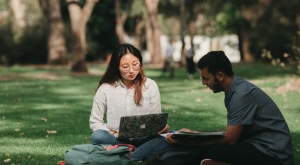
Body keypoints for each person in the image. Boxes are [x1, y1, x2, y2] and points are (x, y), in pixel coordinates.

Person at [165, 51, 294, 165]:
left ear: (220, 75)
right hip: (255, 145)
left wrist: (189, 142)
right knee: (208, 152)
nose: (203, 83)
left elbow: (230, 139)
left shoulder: (241, 94)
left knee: (213, 150)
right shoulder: (233, 91)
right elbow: (231, 133)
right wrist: (193, 134)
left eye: (205, 78)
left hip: (273, 154)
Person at [89, 43, 170, 161]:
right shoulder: (105, 88)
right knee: (97, 136)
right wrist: (112, 132)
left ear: (140, 63)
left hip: (144, 137)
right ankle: (140, 152)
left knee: (169, 136)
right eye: (125, 67)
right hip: (116, 138)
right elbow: (95, 122)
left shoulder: (150, 85)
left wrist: (161, 128)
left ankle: (125, 153)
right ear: (116, 67)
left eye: (135, 64)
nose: (131, 70)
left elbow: (155, 119)